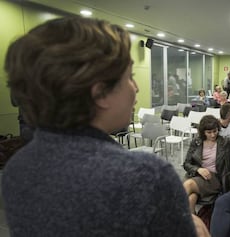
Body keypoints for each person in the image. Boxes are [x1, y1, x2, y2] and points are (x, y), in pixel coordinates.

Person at [2, 17, 197, 236]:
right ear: (100, 93)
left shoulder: (16, 169)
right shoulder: (146, 177)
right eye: (130, 77)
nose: (137, 88)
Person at [183, 115, 230, 214]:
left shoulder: (224, 142)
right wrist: (198, 169)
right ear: (203, 132)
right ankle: (192, 222)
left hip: (214, 178)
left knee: (188, 185)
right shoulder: (197, 142)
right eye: (209, 132)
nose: (212, 135)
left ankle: (170, 215)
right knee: (191, 199)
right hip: (197, 175)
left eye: (215, 131)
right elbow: (186, 164)